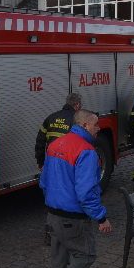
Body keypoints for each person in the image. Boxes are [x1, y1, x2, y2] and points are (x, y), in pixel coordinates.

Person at [39, 109, 113, 268]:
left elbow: (44, 181)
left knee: (59, 259)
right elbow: (87, 192)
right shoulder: (87, 151)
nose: (99, 128)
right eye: (96, 124)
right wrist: (101, 218)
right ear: (85, 126)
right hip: (73, 218)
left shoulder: (55, 145)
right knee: (86, 255)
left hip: (53, 214)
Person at [35, 93, 82, 246]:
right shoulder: (76, 121)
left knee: (51, 199)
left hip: (50, 165)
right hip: (66, 166)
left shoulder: (51, 118)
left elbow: (40, 141)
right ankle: (70, 233)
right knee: (67, 198)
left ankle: (50, 233)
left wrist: (41, 162)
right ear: (77, 105)